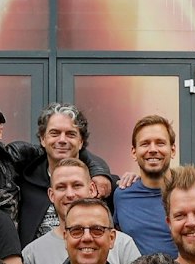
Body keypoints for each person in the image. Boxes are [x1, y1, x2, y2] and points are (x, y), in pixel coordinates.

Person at [7, 104, 115, 243]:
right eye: (55, 133)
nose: (62, 140)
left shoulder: (103, 186)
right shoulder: (25, 182)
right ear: (43, 139)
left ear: (81, 142)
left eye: (70, 134)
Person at [22, 159, 140, 264]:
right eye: (61, 187)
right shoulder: (32, 254)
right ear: (51, 195)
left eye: (77, 185)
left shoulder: (123, 245)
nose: (70, 194)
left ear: (92, 189)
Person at [112, 115, 179, 256]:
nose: (153, 149)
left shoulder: (190, 192)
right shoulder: (122, 195)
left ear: (173, 150)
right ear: (134, 152)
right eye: (145, 144)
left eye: (160, 143)